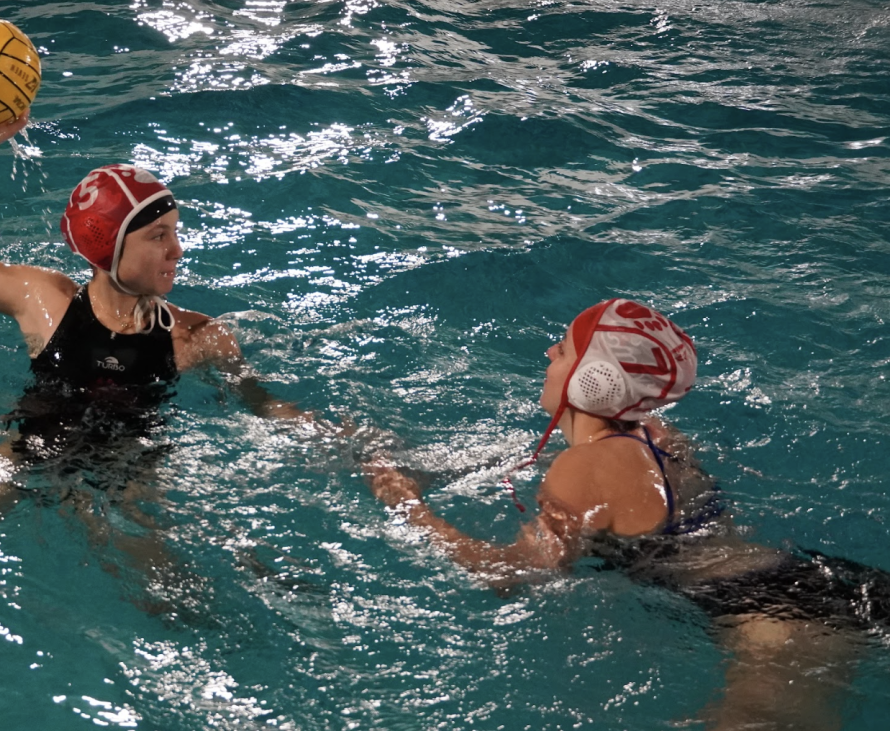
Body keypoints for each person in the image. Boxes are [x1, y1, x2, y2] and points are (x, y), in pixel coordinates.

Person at [0, 113, 300, 633]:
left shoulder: (199, 338)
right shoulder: (45, 302)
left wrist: (357, 447)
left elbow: (271, 408)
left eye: (175, 232)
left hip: (127, 476)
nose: (177, 250)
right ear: (107, 246)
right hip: (26, 449)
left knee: (175, 601)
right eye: (158, 236)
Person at [366, 298, 890, 730]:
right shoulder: (656, 435)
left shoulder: (585, 466)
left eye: (564, 348)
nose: (550, 350)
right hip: (811, 580)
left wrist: (407, 505)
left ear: (593, 380)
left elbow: (510, 575)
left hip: (773, 619)